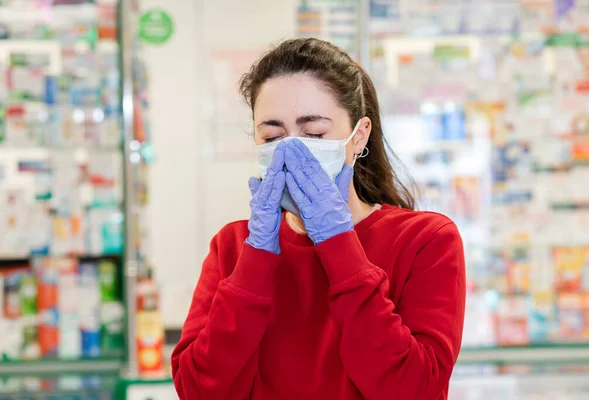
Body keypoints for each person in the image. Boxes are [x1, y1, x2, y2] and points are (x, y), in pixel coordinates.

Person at [171, 38, 466, 400]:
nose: (291, 151)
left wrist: (338, 242)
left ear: (358, 137)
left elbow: (413, 390)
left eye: (314, 134)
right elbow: (199, 391)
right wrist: (256, 259)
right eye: (273, 135)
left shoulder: (426, 241)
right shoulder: (233, 247)